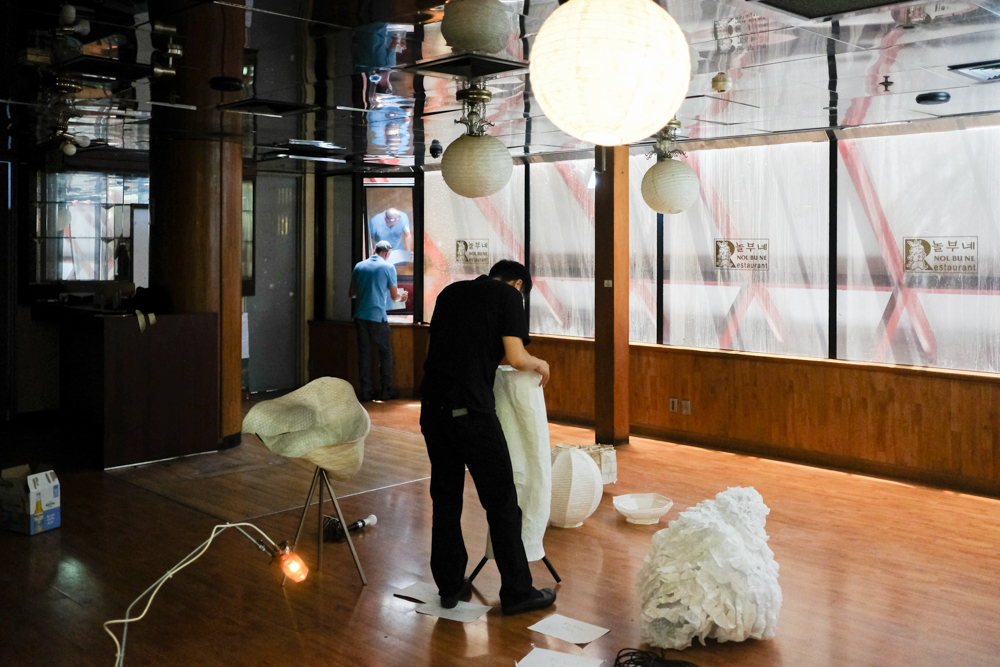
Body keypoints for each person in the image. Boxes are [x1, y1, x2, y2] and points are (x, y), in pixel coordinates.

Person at [420, 259, 557, 616]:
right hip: (471, 412)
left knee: (445, 499)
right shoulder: (508, 297)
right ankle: (517, 592)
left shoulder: (450, 292)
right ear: (518, 285)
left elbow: (458, 350)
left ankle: (450, 586)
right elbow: (516, 356)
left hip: (432, 409)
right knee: (502, 502)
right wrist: (539, 364)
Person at [349, 240, 407, 402]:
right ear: (387, 253)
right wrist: (402, 297)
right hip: (377, 317)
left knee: (364, 353)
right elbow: (395, 297)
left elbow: (351, 293)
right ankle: (385, 390)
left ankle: (365, 392)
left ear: (375, 250)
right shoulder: (388, 267)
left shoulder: (359, 266)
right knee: (385, 352)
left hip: (360, 316)